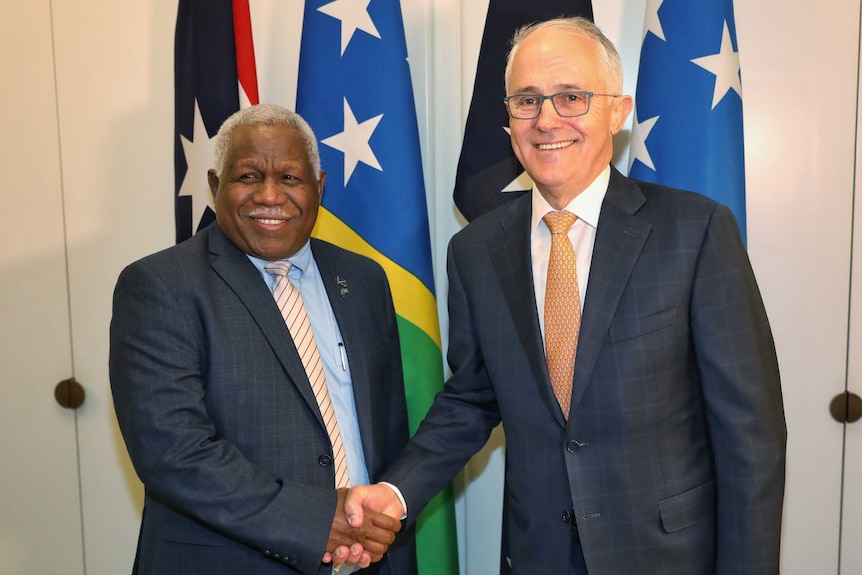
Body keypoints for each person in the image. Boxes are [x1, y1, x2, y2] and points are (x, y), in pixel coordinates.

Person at [346, 16, 787, 574]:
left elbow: (750, 434)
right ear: (508, 120)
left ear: (617, 112)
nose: (547, 119)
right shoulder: (474, 250)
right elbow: (472, 398)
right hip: (537, 554)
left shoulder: (694, 231)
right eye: (527, 100)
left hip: (667, 556)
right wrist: (397, 492)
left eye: (571, 97)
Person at [110, 104, 416, 575]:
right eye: (249, 176)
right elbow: (172, 451)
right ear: (215, 187)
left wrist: (375, 527)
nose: (270, 196)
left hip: (367, 559)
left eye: (290, 178)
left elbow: (387, 432)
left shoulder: (364, 278)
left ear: (319, 188)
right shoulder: (160, 285)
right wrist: (315, 521)